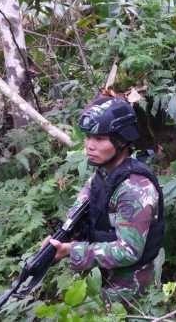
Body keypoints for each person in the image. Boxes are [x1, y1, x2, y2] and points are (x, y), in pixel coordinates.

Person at [44, 97, 164, 302]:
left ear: (121, 141)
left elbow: (129, 251)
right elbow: (78, 212)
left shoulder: (134, 188)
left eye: (99, 139)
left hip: (130, 285)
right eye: (88, 137)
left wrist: (71, 251)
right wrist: (57, 242)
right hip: (102, 274)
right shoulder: (102, 176)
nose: (89, 145)